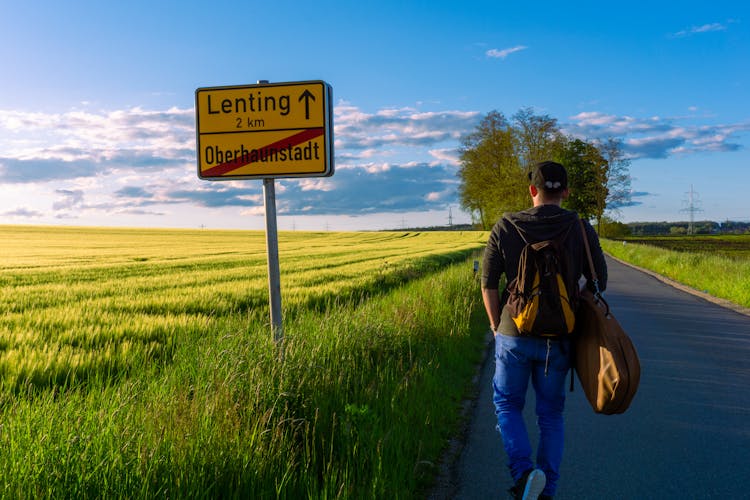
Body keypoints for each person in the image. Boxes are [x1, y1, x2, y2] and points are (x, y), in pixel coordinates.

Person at [481, 161, 607, 499]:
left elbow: (488, 284)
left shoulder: (506, 225)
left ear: (532, 190)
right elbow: (599, 282)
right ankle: (547, 490)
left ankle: (524, 475)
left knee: (507, 405)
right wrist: (567, 302)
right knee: (550, 415)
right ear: (565, 191)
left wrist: (496, 327)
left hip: (513, 333)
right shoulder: (580, 227)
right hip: (560, 338)